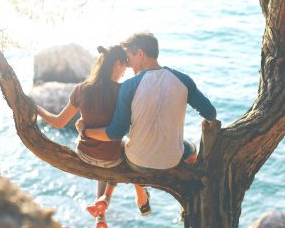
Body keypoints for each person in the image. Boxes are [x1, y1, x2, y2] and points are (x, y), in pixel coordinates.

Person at [36, 45, 150, 228]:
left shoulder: (81, 89)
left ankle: (101, 216)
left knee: (105, 157)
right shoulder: (122, 91)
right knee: (122, 149)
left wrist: (36, 108)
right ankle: (133, 196)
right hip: (111, 158)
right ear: (116, 64)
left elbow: (58, 122)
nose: (125, 71)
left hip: (85, 155)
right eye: (124, 66)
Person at [76, 32, 217, 173]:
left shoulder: (129, 86)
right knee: (191, 148)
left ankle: (139, 194)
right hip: (171, 161)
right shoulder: (183, 80)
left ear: (140, 54)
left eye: (129, 58)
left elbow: (116, 133)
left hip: (137, 161)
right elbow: (210, 113)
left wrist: (85, 132)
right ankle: (190, 177)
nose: (128, 64)